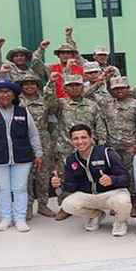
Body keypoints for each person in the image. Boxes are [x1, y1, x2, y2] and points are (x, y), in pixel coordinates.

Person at [0, 78, 43, 232]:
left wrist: (38, 153)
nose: (4, 95)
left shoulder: (23, 112)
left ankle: (20, 218)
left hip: (22, 157)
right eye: (1, 92)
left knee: (20, 189)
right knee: (3, 189)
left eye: (8, 92)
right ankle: (6, 218)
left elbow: (33, 134)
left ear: (13, 95)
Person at [45, 73, 107, 220]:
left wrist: (101, 146)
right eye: (70, 86)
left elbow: (100, 126)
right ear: (65, 88)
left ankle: (92, 206)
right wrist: (51, 83)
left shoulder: (92, 105)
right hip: (66, 148)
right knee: (64, 178)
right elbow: (49, 102)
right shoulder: (61, 104)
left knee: (91, 177)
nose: (74, 88)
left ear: (82, 87)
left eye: (77, 85)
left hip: (89, 150)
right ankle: (65, 207)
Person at [51, 124, 131, 237]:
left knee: (123, 200)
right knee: (67, 205)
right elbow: (72, 186)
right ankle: (96, 215)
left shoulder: (106, 153)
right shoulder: (70, 160)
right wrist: (59, 184)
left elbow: (126, 178)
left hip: (110, 194)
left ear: (91, 138)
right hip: (89, 196)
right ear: (71, 141)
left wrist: (112, 180)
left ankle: (121, 221)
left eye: (84, 137)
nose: (80, 142)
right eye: (76, 138)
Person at [94, 75, 136, 217]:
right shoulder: (107, 104)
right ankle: (117, 202)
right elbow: (87, 94)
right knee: (114, 175)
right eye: (115, 88)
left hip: (131, 147)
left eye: (122, 88)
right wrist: (100, 81)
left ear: (128, 88)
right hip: (112, 147)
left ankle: (133, 203)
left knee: (132, 176)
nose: (119, 91)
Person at [15, 74, 57, 219]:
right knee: (26, 175)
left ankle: (43, 205)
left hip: (43, 140)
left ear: (38, 86)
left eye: (32, 84)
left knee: (43, 175)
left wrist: (51, 83)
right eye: (25, 84)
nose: (29, 87)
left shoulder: (45, 101)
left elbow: (54, 113)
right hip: (24, 140)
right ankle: (28, 206)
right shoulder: (17, 102)